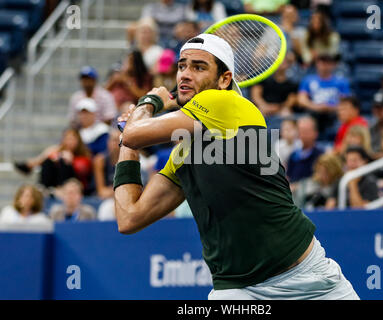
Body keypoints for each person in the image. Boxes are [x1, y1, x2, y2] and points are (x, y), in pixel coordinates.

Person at [114, 33, 359, 300]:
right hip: (238, 290)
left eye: (198, 67)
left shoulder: (226, 103)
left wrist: (149, 102)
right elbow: (129, 217)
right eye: (181, 66)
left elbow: (135, 132)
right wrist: (126, 146)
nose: (184, 74)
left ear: (224, 80)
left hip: (308, 278)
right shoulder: (182, 154)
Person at [14, 128, 92, 192]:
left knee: (63, 161)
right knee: (49, 159)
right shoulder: (60, 151)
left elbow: (83, 171)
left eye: (72, 139)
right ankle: (42, 187)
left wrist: (71, 161)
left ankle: (29, 165)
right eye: (67, 139)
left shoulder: (84, 155)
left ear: (78, 140)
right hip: (56, 181)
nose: (69, 142)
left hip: (76, 185)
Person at [297, 53, 351, 133]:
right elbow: (301, 100)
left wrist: (330, 107)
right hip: (313, 113)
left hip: (334, 114)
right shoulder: (308, 80)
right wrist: (316, 107)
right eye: (322, 62)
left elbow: (346, 103)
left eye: (328, 63)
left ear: (333, 65)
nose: (325, 66)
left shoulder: (341, 82)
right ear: (317, 64)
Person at [250, 51, 298, 128]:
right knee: (256, 114)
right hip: (264, 108)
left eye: (285, 61)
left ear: (289, 65)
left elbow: (291, 101)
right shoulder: (264, 78)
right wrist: (264, 106)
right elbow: (255, 95)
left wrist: (278, 108)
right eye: (279, 60)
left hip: (281, 110)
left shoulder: (291, 84)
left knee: (287, 113)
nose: (282, 63)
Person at [286, 116, 324, 185]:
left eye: (306, 131)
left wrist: (298, 186)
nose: (303, 135)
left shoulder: (321, 156)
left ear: (315, 133)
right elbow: (288, 177)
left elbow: (318, 179)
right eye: (300, 131)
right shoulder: (293, 155)